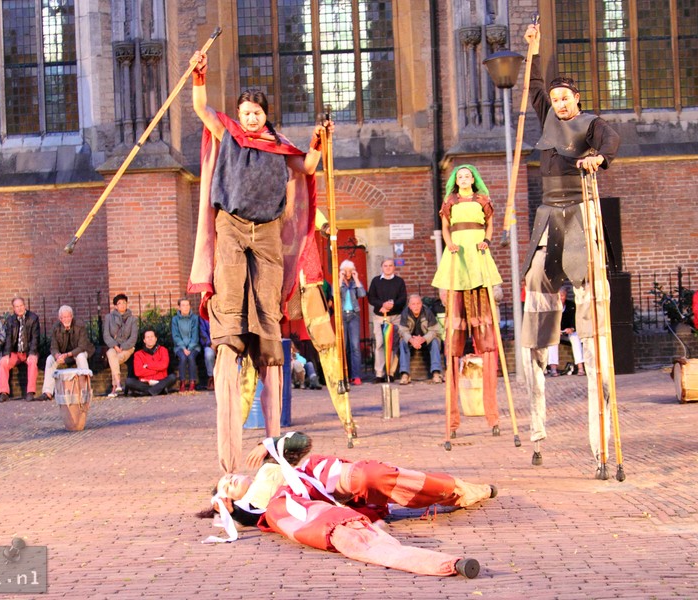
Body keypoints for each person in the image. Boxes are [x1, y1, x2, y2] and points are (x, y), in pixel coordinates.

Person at [187, 50, 331, 473]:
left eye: (256, 113)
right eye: (245, 112)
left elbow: (307, 165)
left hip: (267, 233)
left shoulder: (277, 146)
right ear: (238, 114)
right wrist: (200, 75)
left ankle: (271, 444)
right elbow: (200, 108)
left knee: (267, 317)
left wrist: (320, 141)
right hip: (231, 226)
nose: (250, 118)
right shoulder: (228, 132)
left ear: (265, 116)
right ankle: (231, 333)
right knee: (231, 310)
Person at [521, 23, 621, 477]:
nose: (559, 103)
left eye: (566, 98)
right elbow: (536, 84)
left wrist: (598, 158)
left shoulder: (591, 124)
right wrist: (534, 48)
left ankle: (600, 442)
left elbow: (609, 142)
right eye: (556, 98)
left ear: (577, 101)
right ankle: (538, 425)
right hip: (549, 221)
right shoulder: (545, 117)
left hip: (581, 219)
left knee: (592, 319)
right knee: (537, 323)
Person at [199, 432, 493, 578]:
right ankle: (443, 564)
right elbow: (253, 519)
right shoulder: (258, 507)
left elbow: (303, 444)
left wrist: (270, 442)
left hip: (317, 477)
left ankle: (465, 491)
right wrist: (232, 510)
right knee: (341, 532)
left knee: (372, 475)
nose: (231, 479)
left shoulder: (272, 464)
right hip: (308, 507)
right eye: (226, 486)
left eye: (229, 475)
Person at [431, 164, 503, 437]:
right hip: (458, 260)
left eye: (467, 176)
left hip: (477, 259)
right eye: (459, 176)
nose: (463, 179)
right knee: (453, 344)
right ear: (455, 180)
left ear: (473, 179)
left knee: (486, 342)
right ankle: (452, 421)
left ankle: (492, 415)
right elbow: (445, 227)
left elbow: (491, 223)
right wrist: (448, 244)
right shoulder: (449, 201)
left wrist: (486, 239)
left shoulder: (482, 200)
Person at [38, 305, 94, 402]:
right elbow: (53, 347)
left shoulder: (80, 326)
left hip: (79, 352)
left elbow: (82, 346)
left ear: (72, 316)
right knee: (50, 359)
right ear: (60, 319)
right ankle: (47, 392)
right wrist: (57, 355)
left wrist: (67, 354)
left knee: (80, 357)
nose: (66, 319)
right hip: (64, 354)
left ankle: (85, 389)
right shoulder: (56, 328)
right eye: (64, 317)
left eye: (68, 316)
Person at [367, 258, 407, 382]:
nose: (388, 268)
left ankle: (390, 372)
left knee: (393, 344)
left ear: (394, 267)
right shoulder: (375, 281)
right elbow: (371, 298)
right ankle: (379, 373)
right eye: (385, 266)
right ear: (382, 267)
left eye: (390, 265)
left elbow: (403, 298)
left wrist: (392, 305)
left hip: (395, 317)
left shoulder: (399, 281)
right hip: (380, 316)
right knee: (379, 343)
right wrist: (382, 305)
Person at [0, 297, 41, 402]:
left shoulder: (33, 318)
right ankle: (4, 393)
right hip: (16, 352)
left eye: (21, 305)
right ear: (13, 308)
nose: (20, 308)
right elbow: (8, 338)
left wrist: (31, 353)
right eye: (17, 306)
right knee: (3, 362)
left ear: (24, 305)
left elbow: (35, 338)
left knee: (32, 362)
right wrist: (7, 354)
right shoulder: (10, 320)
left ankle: (30, 392)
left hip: (28, 352)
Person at [398, 294, 444, 385]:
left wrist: (423, 339)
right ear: (409, 306)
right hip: (412, 340)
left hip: (426, 339)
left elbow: (435, 330)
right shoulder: (405, 313)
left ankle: (436, 373)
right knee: (403, 342)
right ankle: (405, 374)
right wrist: (412, 340)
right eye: (413, 304)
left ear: (421, 304)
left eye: (418, 304)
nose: (416, 306)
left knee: (435, 341)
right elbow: (402, 331)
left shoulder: (428, 312)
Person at [123, 329, 177, 396]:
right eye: (147, 337)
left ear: (156, 339)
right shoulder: (138, 354)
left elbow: (164, 365)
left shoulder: (163, 350)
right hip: (145, 382)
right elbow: (138, 372)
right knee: (129, 381)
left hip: (160, 381)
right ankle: (159, 390)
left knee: (172, 377)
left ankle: (148, 392)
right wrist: (157, 371)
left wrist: (148, 366)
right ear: (144, 340)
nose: (150, 339)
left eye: (152, 337)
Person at [103, 293, 138, 397]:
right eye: (119, 303)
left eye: (124, 303)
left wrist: (123, 347)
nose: (122, 305)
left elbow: (133, 337)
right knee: (110, 353)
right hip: (114, 346)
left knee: (113, 360)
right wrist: (115, 346)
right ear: (115, 306)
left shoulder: (132, 319)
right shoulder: (109, 318)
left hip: (127, 347)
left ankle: (115, 387)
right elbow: (106, 335)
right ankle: (118, 384)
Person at [338, 260, 366, 385]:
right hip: (342, 316)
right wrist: (339, 279)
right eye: (346, 271)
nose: (348, 273)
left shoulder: (355, 283)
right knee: (344, 346)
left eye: (350, 271)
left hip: (354, 315)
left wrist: (357, 278)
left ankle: (356, 375)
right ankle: (345, 375)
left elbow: (362, 294)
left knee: (355, 346)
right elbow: (335, 295)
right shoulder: (339, 283)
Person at [547, 286, 584, 376]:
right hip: (556, 331)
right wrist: (556, 330)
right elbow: (548, 322)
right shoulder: (552, 306)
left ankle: (580, 367)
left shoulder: (571, 305)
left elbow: (575, 319)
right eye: (559, 296)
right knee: (552, 342)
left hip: (569, 331)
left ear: (566, 296)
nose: (561, 298)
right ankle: (553, 369)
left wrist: (572, 328)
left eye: (562, 296)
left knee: (575, 338)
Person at [171, 298, 202, 393]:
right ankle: (182, 382)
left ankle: (192, 382)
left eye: (187, 305)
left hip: (193, 346)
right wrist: (183, 348)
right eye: (183, 305)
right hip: (180, 347)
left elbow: (195, 335)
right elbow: (175, 335)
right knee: (183, 358)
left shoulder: (195, 318)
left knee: (191, 358)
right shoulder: (175, 319)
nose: (185, 307)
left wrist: (189, 348)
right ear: (179, 307)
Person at [200, 316, 216, 391]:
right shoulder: (203, 317)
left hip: (222, 343)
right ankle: (211, 377)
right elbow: (202, 333)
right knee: (209, 354)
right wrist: (210, 344)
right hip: (209, 344)